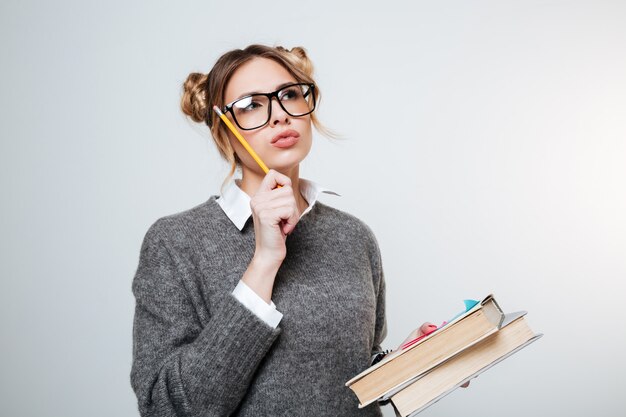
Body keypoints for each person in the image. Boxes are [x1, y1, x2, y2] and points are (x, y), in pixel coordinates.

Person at [130, 43, 433, 417]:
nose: (280, 116)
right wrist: (265, 260)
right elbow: (166, 408)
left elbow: (347, 374)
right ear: (223, 130)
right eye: (252, 105)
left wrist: (409, 363)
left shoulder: (354, 236)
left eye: (289, 95)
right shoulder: (175, 243)